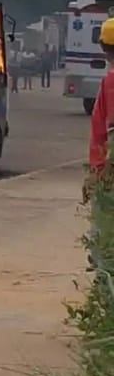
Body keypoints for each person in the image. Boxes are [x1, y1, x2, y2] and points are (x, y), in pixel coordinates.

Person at [83, 18, 114, 266]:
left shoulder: (112, 81)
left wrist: (100, 176)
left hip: (107, 173)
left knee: (104, 245)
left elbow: (112, 134)